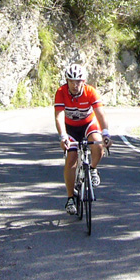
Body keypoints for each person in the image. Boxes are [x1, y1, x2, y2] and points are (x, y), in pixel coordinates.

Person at [54, 63, 113, 215]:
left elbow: (100, 114)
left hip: (88, 124)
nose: (75, 85)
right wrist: (63, 137)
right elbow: (59, 116)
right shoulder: (61, 92)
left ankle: (92, 169)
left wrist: (105, 133)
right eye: (71, 81)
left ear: (84, 81)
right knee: (71, 157)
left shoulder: (90, 92)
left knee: (98, 144)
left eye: (78, 81)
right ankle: (70, 198)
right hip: (71, 128)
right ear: (67, 81)